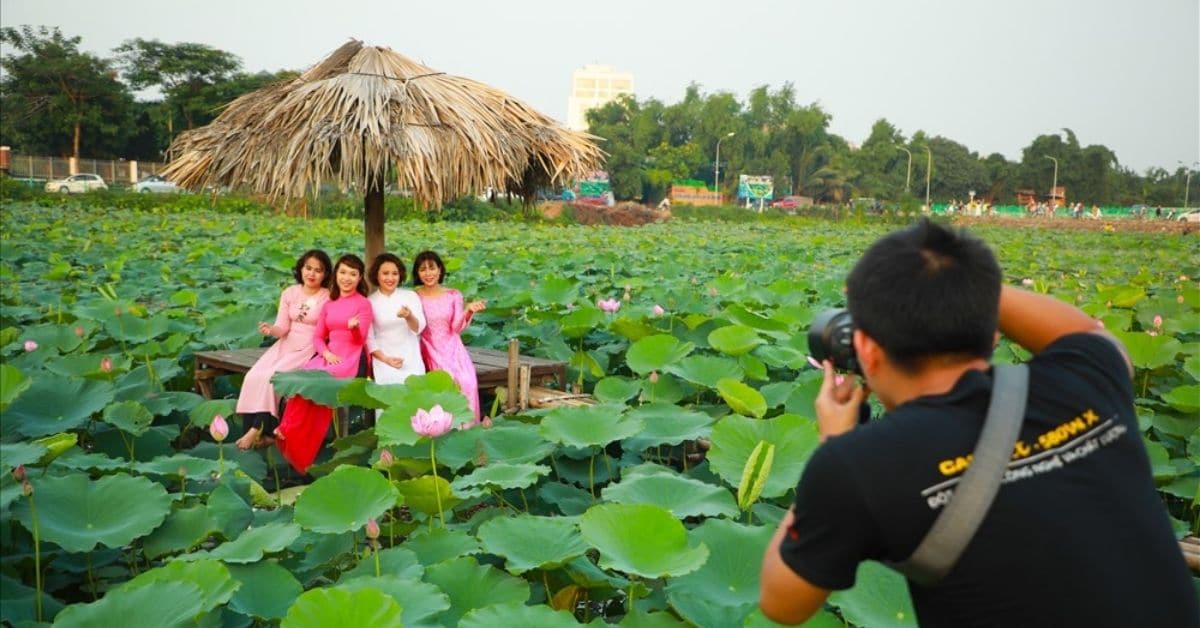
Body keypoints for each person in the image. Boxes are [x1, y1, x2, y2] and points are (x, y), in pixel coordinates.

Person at [759, 220, 1198, 627]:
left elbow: (782, 604)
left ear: (868, 352)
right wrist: (961, 287)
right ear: (992, 334)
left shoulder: (856, 465)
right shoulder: (1087, 380)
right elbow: (1087, 331)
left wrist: (832, 442)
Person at [275, 253, 374, 473]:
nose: (347, 278)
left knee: (320, 384)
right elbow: (318, 337)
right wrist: (326, 353)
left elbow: (360, 340)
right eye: (343, 272)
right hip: (329, 356)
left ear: (359, 278)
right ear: (336, 274)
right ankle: (288, 430)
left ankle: (294, 436)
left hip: (352, 358)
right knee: (304, 378)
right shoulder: (330, 303)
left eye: (353, 274)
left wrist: (354, 327)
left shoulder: (363, 304)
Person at [234, 250, 331, 450]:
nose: (312, 274)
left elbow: (325, 330)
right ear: (301, 269)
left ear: (325, 274)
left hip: (308, 346)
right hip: (285, 343)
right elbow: (282, 327)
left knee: (273, 377)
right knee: (254, 375)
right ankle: (254, 431)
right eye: (308, 268)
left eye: (318, 270)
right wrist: (271, 330)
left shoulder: (327, 297)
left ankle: (258, 429)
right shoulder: (289, 293)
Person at [412, 250, 486, 422]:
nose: (428, 273)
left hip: (453, 347)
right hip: (430, 348)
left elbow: (456, 327)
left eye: (432, 268)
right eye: (423, 269)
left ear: (440, 270)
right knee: (445, 387)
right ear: (417, 273)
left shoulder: (453, 295)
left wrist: (468, 311)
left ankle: (467, 431)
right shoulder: (414, 296)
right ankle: (442, 432)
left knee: (467, 383)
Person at [367, 253, 426, 384]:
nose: (390, 278)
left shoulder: (410, 296)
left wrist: (409, 316)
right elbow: (369, 338)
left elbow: (419, 328)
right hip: (384, 359)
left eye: (395, 273)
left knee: (416, 399)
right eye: (385, 273)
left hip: (411, 358)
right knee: (388, 400)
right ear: (376, 275)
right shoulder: (369, 302)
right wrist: (385, 359)